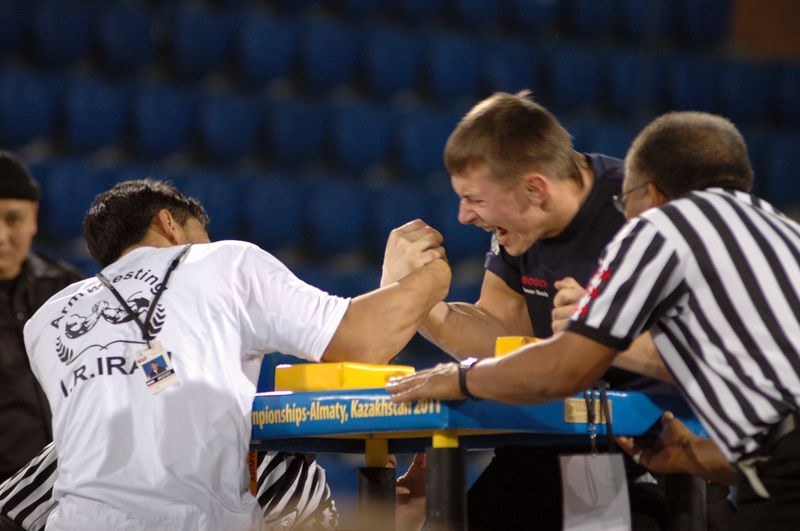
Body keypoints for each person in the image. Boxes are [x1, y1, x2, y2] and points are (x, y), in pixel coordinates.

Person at [387, 111, 800, 530]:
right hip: (727, 453)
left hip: (654, 445)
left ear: (653, 195)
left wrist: (462, 378)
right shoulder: (783, 230)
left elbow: (566, 368)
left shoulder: (657, 226)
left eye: (627, 201)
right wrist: (419, 304)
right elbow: (741, 370)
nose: (627, 214)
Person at [19, 179, 450, 531]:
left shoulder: (44, 322)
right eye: (202, 239)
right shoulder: (222, 262)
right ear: (170, 223)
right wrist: (430, 276)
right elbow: (362, 341)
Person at [382, 91, 670, 530]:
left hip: (649, 447)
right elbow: (504, 334)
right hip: (544, 441)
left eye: (474, 200)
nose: (462, 216)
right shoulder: (519, 224)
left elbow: (706, 344)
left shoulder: (642, 213)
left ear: (535, 188)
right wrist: (418, 302)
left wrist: (606, 325)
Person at [0, 151, 81, 485]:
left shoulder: (69, 289)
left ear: (33, 217)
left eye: (13, 219)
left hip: (74, 487)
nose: (1, 237)